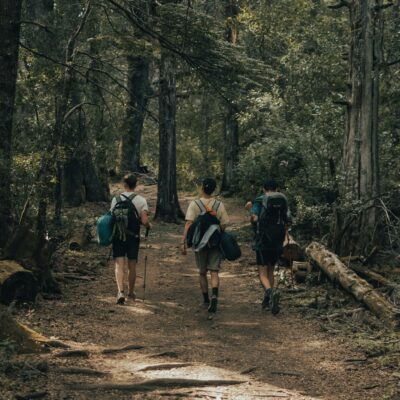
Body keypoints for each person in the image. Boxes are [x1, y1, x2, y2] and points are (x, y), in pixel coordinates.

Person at [181, 178, 229, 314]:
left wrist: (183, 242)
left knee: (202, 272)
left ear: (202, 188)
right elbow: (224, 225)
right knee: (214, 271)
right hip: (215, 243)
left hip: (199, 244)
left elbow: (188, 224)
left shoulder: (194, 204)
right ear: (214, 190)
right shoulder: (219, 205)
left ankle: (206, 299)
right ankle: (215, 295)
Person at [248, 179, 290, 314]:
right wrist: (285, 237)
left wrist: (249, 210)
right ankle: (269, 300)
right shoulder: (283, 199)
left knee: (262, 272)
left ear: (263, 188)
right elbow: (287, 219)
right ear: (277, 188)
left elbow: (254, 218)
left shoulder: (260, 200)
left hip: (263, 240)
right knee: (271, 270)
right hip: (277, 240)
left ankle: (270, 293)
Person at [111, 174, 151, 305]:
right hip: (133, 236)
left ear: (124, 185)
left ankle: (120, 292)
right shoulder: (141, 200)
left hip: (118, 235)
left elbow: (112, 217)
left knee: (119, 264)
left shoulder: (116, 199)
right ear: (136, 184)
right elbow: (144, 221)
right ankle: (131, 292)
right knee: (132, 265)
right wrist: (148, 225)